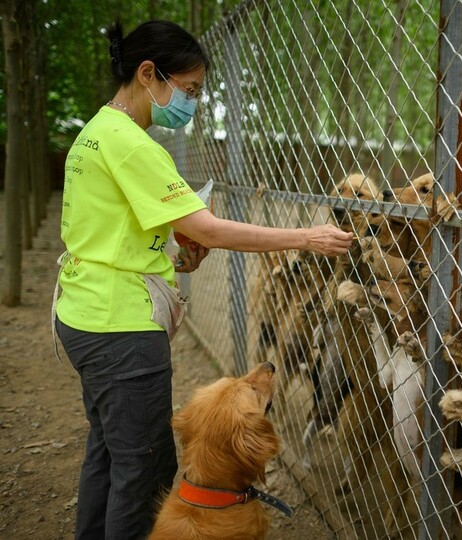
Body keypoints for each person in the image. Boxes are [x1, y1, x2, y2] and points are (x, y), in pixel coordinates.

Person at [54, 19, 352, 540]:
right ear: (149, 73)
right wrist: (305, 237)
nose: (190, 103)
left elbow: (111, 231)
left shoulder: (96, 133)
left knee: (109, 453)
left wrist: (174, 254)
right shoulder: (133, 145)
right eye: (189, 91)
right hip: (119, 327)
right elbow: (209, 228)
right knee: (144, 472)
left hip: (85, 312)